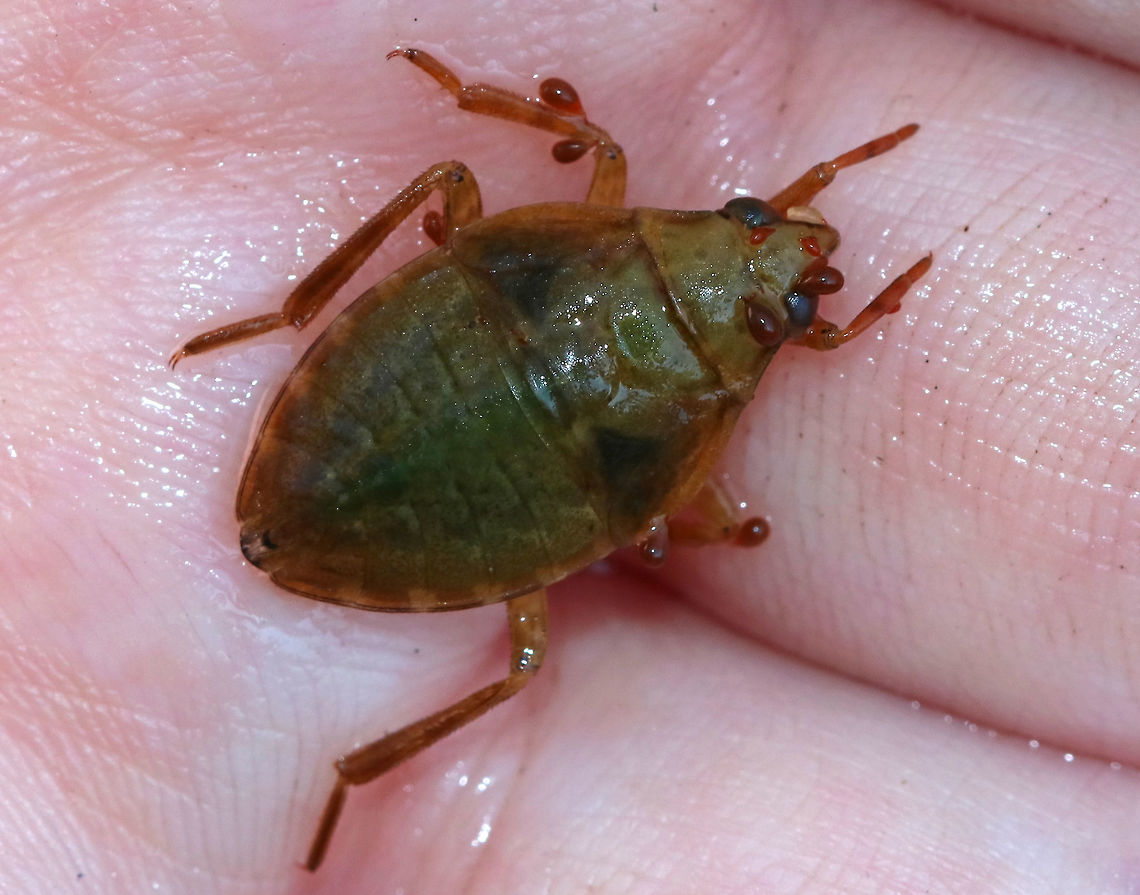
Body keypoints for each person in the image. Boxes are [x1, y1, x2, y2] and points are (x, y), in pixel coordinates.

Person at [2, 2, 1136, 891]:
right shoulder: (701, 419)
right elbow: (694, 515)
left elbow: (498, 192)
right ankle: (283, 331)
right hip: (496, 448)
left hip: (436, 370)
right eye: (758, 220)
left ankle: (354, 752)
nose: (790, 243)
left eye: (783, 310)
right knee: (528, 660)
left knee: (457, 184)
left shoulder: (615, 220)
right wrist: (710, 525)